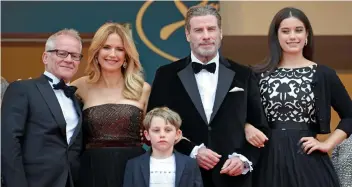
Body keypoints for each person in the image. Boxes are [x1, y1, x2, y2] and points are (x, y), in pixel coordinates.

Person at [147, 5, 269, 187]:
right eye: (198, 30)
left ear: (220, 33)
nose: (206, 36)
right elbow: (153, 126)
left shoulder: (244, 75)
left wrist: (243, 159)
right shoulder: (166, 75)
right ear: (188, 35)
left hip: (233, 180)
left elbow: (261, 128)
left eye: (211, 29)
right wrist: (192, 151)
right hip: (183, 176)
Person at [245, 7, 352, 187]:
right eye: (285, 31)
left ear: (307, 35)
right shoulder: (256, 75)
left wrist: (327, 144)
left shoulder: (323, 74)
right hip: (266, 159)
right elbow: (235, 112)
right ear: (276, 36)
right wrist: (247, 127)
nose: (292, 36)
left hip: (308, 160)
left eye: (298, 30)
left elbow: (350, 116)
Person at [71, 22, 151, 187]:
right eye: (106, 47)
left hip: (134, 169)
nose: (112, 54)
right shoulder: (79, 87)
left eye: (120, 49)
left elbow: (156, 135)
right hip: (91, 171)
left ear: (126, 55)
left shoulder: (143, 89)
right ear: (96, 51)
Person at [1, 29, 84, 187]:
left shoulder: (77, 100)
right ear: (45, 57)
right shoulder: (22, 89)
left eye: (74, 55)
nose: (69, 59)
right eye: (61, 53)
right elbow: (8, 145)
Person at [123, 107, 203, 187]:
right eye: (156, 130)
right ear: (147, 135)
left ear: (177, 134)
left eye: (168, 130)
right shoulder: (133, 165)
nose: (162, 135)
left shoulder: (190, 164)